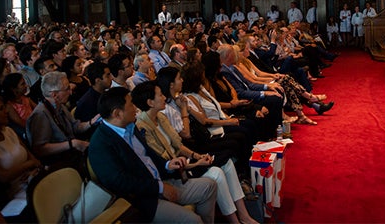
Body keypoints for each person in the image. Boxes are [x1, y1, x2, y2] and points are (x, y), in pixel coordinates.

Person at [131, 81, 259, 224]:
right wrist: (196, 163)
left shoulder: (160, 117)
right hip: (175, 172)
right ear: (150, 102)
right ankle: (235, 220)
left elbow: (178, 145)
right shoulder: (143, 128)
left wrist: (196, 156)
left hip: (185, 161)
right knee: (218, 172)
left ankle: (243, 215)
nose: (163, 98)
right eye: (160, 95)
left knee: (227, 162)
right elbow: (166, 161)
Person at [88, 87, 218, 223]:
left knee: (209, 186)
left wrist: (167, 164)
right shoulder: (100, 144)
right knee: (192, 220)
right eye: (131, 104)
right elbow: (120, 182)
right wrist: (159, 187)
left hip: (161, 181)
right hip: (143, 200)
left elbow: (147, 154)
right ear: (118, 113)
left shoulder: (130, 126)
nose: (136, 108)